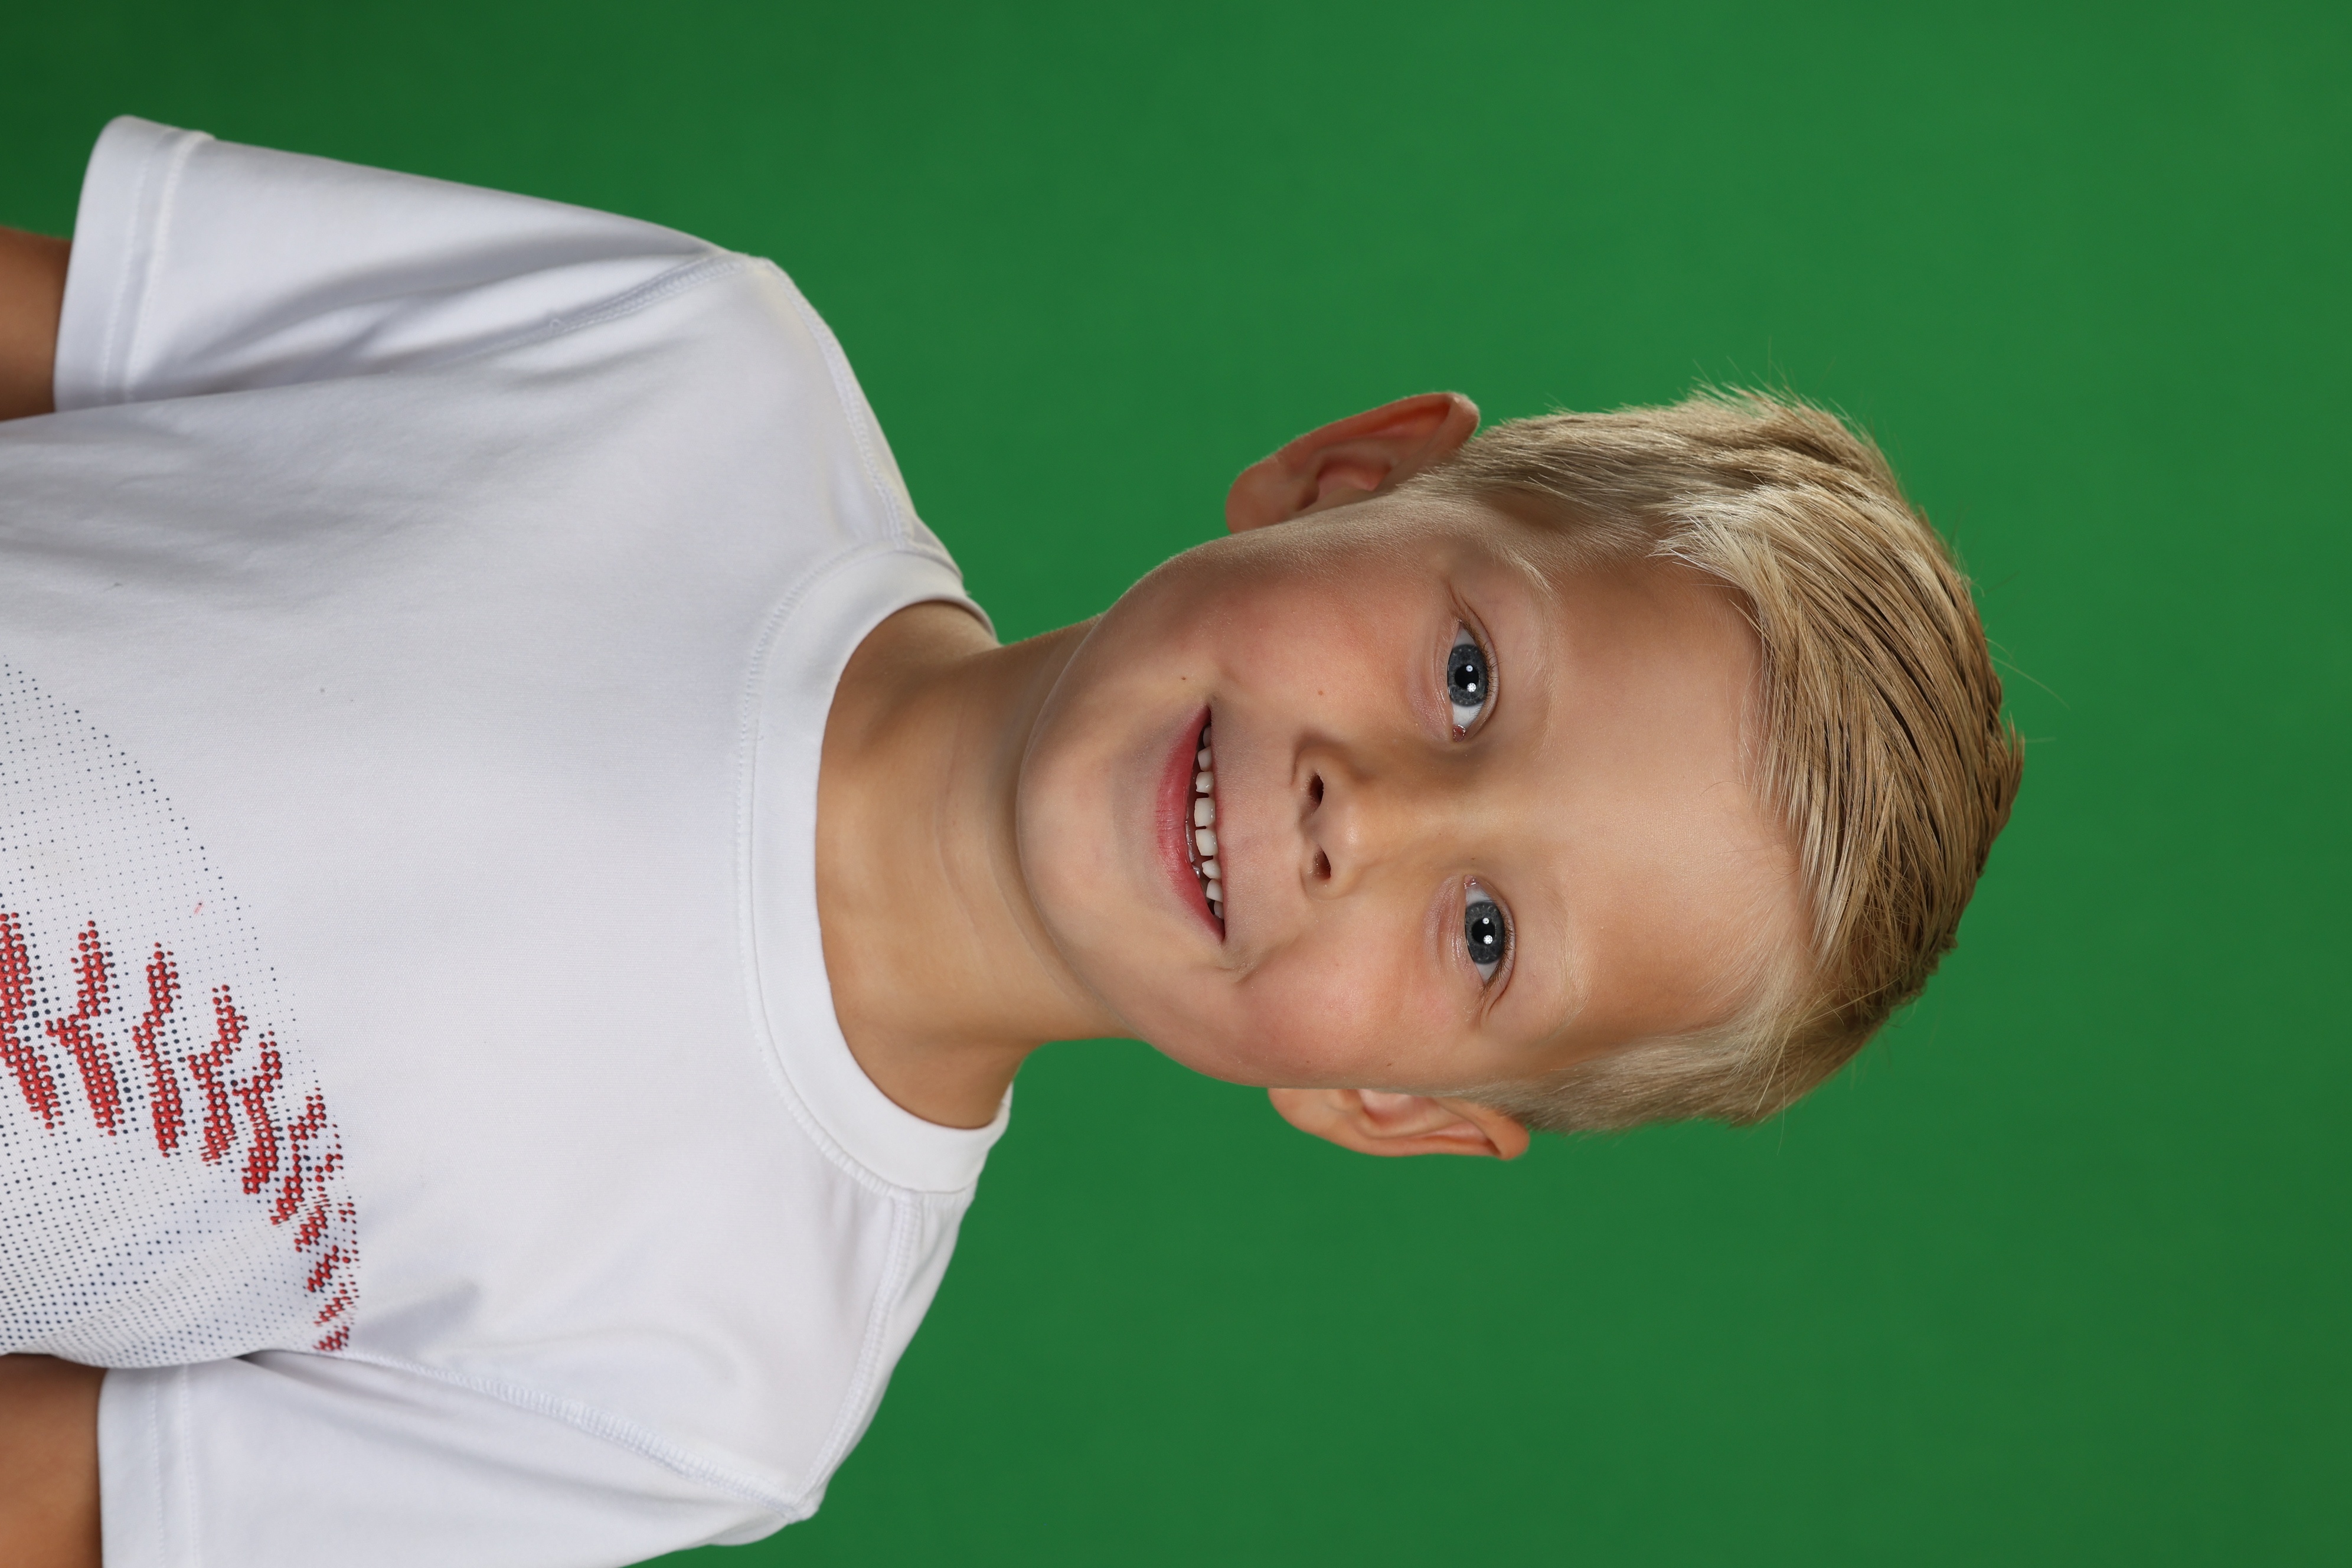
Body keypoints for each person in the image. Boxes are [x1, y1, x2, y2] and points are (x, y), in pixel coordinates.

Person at [0, 119, 2020, 1568]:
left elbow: (59, 1502)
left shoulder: (717, 1383)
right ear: (1351, 477)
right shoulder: (694, 363)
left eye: (1485, 934)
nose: (1372, 816)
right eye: (1472, 676)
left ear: (1392, 1102)